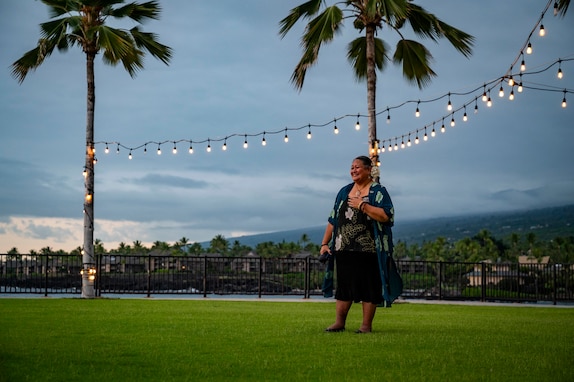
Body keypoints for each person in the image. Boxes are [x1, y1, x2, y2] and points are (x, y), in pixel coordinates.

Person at [319, 155, 397, 333]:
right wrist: (325, 243)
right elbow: (333, 219)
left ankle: (365, 326)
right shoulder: (344, 191)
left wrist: (363, 205)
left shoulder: (378, 191)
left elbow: (386, 216)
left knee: (369, 286)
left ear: (369, 169)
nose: (353, 170)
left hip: (369, 248)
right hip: (343, 247)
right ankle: (339, 323)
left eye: (357, 167)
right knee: (344, 286)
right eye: (351, 167)